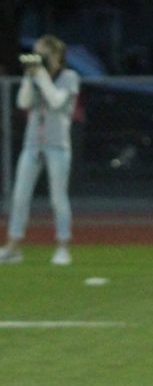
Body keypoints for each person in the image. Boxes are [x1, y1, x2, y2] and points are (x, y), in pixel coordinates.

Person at [0, 35, 80, 266]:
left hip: (58, 144)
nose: (38, 58)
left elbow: (56, 101)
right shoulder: (36, 77)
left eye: (43, 53)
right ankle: (14, 246)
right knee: (20, 196)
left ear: (55, 55)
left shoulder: (69, 77)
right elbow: (23, 103)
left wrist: (43, 77)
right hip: (33, 143)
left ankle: (63, 246)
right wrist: (29, 78)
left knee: (58, 198)